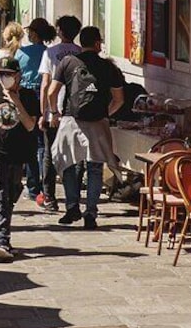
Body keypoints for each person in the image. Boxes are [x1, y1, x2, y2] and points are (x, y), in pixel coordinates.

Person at [48, 26, 125, 230]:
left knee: (69, 165)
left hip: (71, 120)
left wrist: (54, 113)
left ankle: (72, 206)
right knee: (95, 168)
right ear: (98, 43)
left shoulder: (67, 62)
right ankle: (90, 212)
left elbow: (51, 92)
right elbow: (119, 99)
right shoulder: (109, 67)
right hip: (98, 123)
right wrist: (106, 113)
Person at [0, 57, 41, 261]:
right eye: (0, 75)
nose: (3, 78)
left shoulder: (29, 96)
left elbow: (31, 125)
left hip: (18, 153)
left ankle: (3, 231)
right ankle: (2, 240)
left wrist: (15, 100)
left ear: (18, 76)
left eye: (8, 74)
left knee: (12, 192)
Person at [37, 15, 82, 212]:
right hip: (74, 110)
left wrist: (44, 111)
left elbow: (46, 84)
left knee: (49, 154)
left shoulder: (50, 53)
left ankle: (49, 197)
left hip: (53, 108)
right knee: (76, 154)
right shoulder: (81, 53)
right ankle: (74, 196)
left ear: (60, 31)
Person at [15, 18, 57, 203]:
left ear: (35, 34)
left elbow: (16, 71)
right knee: (42, 143)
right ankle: (43, 184)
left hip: (26, 95)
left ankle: (33, 186)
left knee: (29, 143)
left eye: (31, 31)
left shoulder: (22, 52)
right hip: (44, 95)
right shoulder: (48, 53)